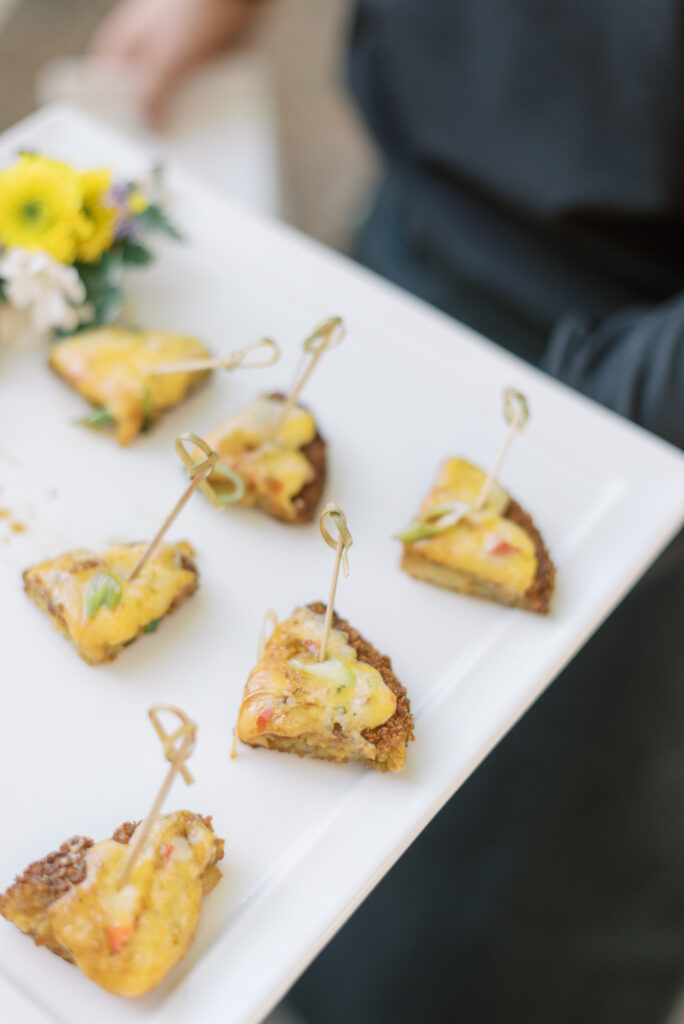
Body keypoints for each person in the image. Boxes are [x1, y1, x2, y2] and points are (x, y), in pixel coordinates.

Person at [93, 2, 684, 1022]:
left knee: (482, 939)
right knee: (283, 888)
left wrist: (601, 434)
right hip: (425, 228)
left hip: (645, 406)